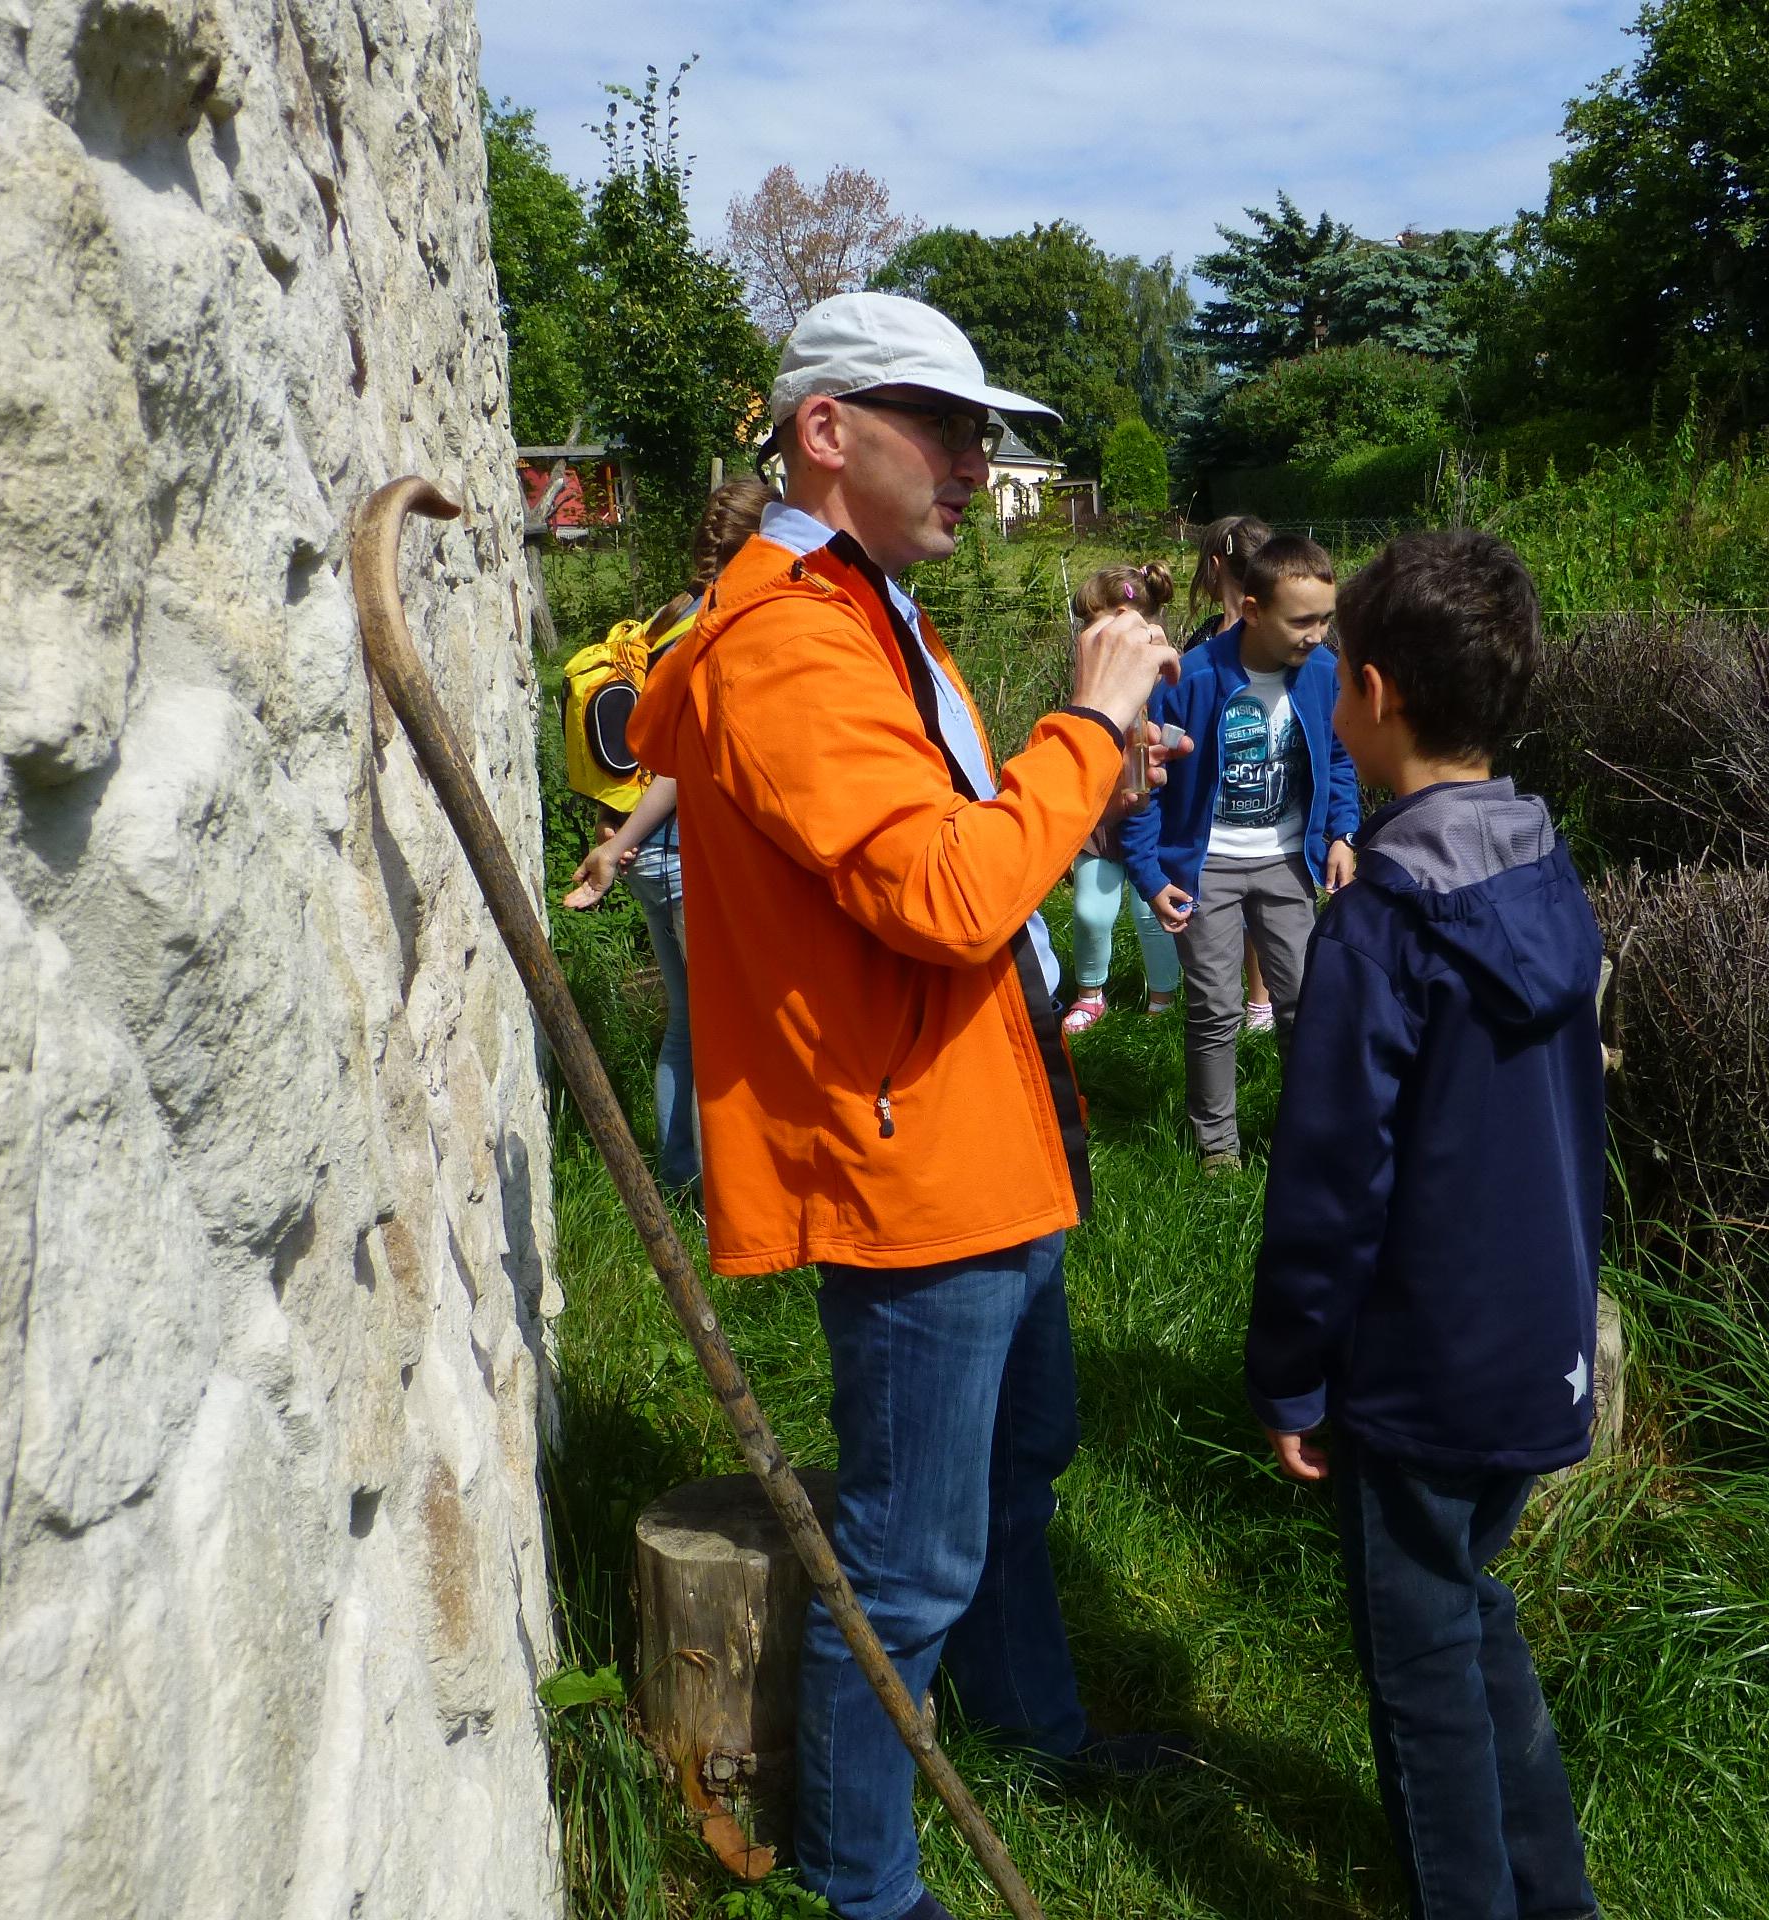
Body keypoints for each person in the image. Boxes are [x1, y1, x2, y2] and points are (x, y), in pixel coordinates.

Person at [622, 291, 1191, 1920]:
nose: (974, 460)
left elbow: (947, 851)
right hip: (905, 1158)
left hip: (980, 1119)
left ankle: (1029, 1729)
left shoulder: (870, 611)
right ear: (826, 431)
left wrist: (1082, 781)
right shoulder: (789, 644)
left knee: (1018, 1467)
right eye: (941, 425)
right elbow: (948, 898)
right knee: (906, 1556)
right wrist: (1085, 724)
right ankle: (867, 1889)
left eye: (981, 432)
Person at [1247, 530, 1606, 1920]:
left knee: (1420, 1677)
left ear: (1375, 694)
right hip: (1536, 1343)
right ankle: (1552, 1893)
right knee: (1469, 1599)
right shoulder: (1545, 873)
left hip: (1416, 1367)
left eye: (1336, 669)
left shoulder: (1382, 926)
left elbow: (1330, 1182)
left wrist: (1291, 1372)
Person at [1119, 533, 1359, 1169]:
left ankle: (1308, 1136)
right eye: (1301, 621)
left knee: (1304, 1002)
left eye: (1325, 619)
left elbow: (1338, 756)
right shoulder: (1190, 678)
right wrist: (1148, 872)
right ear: (1252, 610)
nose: (1316, 635)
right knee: (1215, 1009)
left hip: (1289, 862)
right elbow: (1141, 776)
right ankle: (1217, 1146)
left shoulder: (1324, 675)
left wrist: (1342, 833)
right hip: (1205, 868)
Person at [561, 478, 775, 1192]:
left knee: (688, 1025)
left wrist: (617, 840)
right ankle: (724, 1200)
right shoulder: (723, 626)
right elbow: (686, 763)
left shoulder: (668, 616)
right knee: (725, 1033)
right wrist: (619, 843)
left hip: (645, 856)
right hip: (684, 851)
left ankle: (683, 1183)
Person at [1062, 563, 1186, 1034]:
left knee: (1150, 912)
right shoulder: (1092, 683)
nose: (1088, 639)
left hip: (1155, 823)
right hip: (1101, 823)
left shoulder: (1172, 684)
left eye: (1093, 625)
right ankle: (1090, 994)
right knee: (1091, 911)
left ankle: (1163, 996)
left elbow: (1177, 752)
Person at [1185, 515, 1279, 1033]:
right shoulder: (1281, 638)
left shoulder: (1208, 647)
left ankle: (1254, 1001)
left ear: (1215, 565)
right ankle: (1252, 1002)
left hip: (1242, 797)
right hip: (1240, 799)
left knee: (1251, 902)